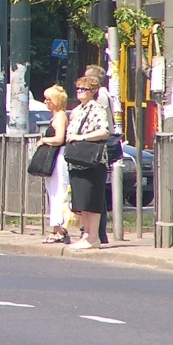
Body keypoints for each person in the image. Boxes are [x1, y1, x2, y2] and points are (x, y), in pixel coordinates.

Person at [65, 75, 111, 250]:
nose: (79, 92)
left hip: (92, 161)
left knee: (92, 200)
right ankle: (86, 235)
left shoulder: (97, 109)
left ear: (93, 91)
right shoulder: (79, 109)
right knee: (81, 201)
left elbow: (104, 132)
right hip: (77, 161)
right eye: (78, 89)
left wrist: (81, 137)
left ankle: (93, 237)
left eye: (83, 89)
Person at [35, 84, 71, 244]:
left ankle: (61, 230)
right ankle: (56, 228)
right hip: (53, 159)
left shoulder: (61, 116)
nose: (45, 102)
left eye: (48, 99)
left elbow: (59, 138)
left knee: (59, 192)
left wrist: (44, 140)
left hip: (59, 159)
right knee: (53, 193)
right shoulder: (55, 117)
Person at [85, 64, 113, 245]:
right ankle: (94, 231)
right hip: (95, 145)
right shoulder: (103, 94)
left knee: (95, 190)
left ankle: (98, 233)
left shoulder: (100, 96)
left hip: (98, 146)